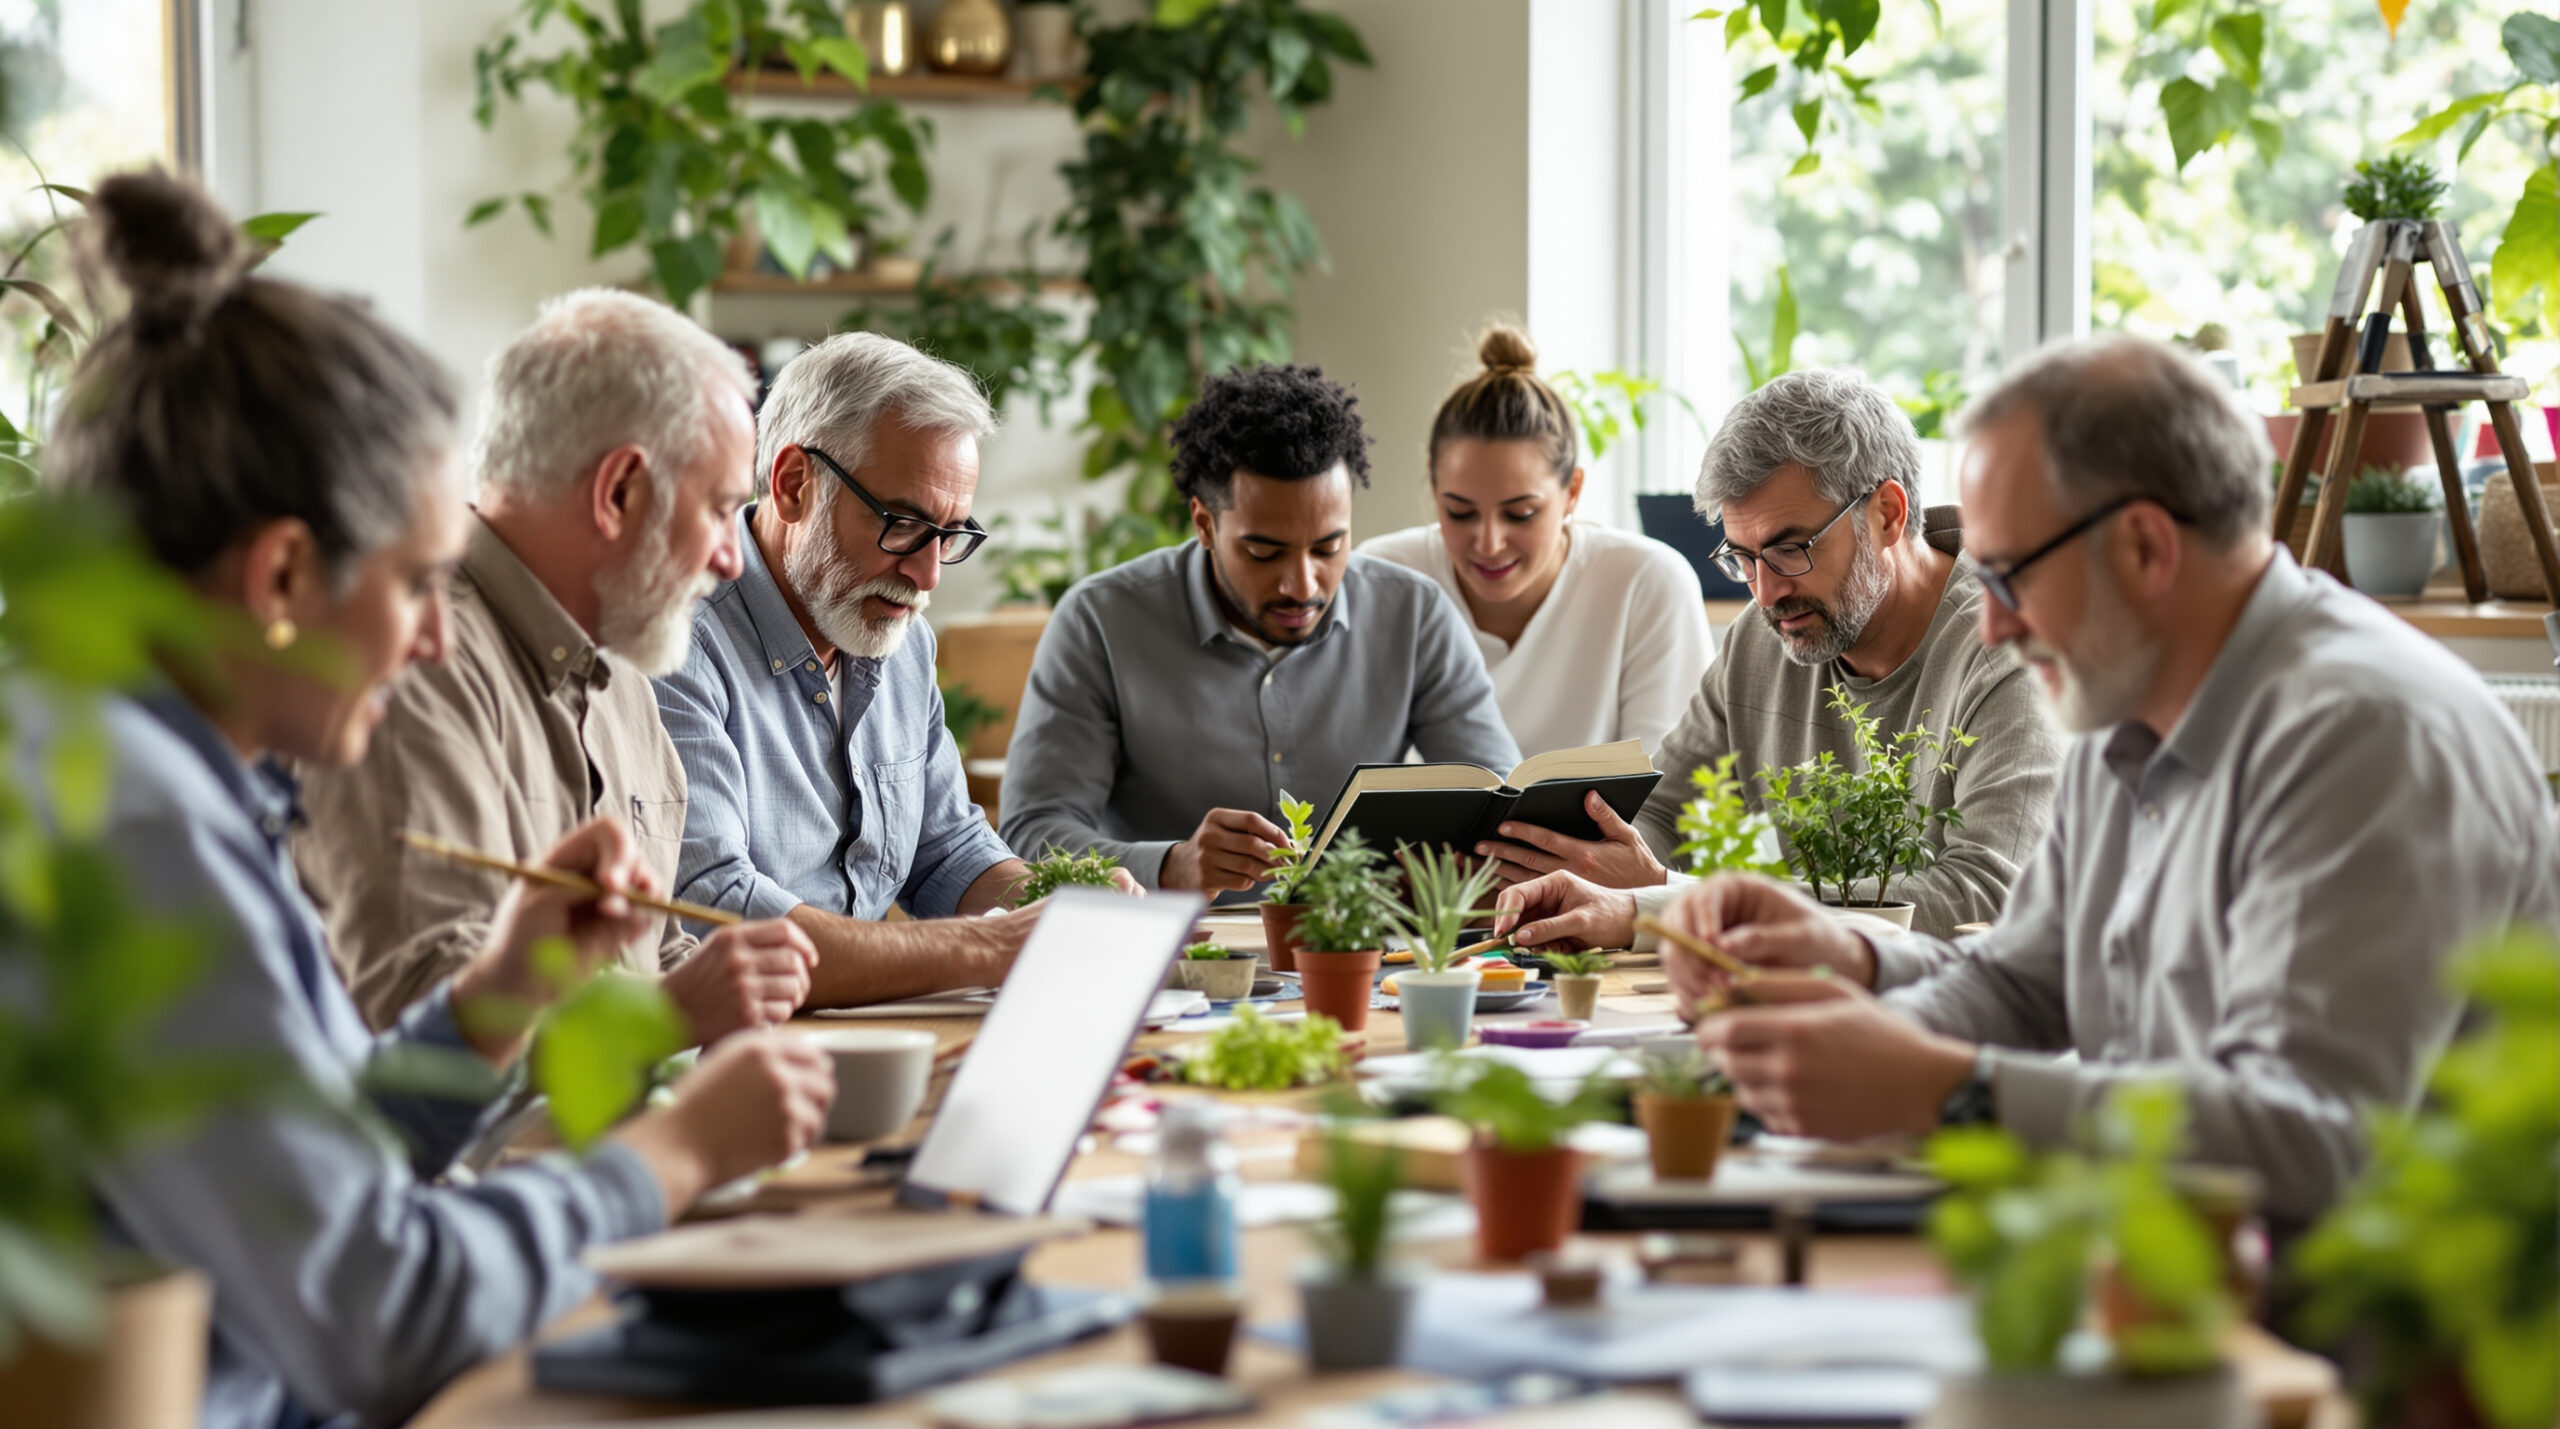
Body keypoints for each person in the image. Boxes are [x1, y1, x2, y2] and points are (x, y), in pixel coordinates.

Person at [28, 172, 833, 1429]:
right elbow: (378, 1312)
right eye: (413, 585)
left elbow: (310, 1163)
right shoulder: (141, 830)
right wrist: (668, 1159)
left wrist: (493, 1000)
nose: (429, 642)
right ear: (286, 573)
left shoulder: (144, 772)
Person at [1500, 337, 2560, 1225]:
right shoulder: (2121, 707)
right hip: (2171, 1273)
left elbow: (2312, 1141)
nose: (1993, 622)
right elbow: (2024, 982)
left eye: (2007, 576)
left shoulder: (2359, 734)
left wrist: (1951, 1090)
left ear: (2144, 547)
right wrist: (1851, 959)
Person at [294, 290, 817, 1040]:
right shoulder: (410, 663)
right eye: (718, 510)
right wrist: (666, 1018)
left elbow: (653, 954)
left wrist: (724, 997)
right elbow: (417, 1013)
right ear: (620, 492)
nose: (733, 560)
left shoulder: (627, 665)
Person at [1476, 368, 2059, 939]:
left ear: (1887, 514)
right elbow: (1663, 814)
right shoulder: (1765, 638)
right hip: (1807, 996)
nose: (1766, 592)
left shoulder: (2018, 649)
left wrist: (1667, 901)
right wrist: (1572, 865)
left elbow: (1986, 897)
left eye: (1790, 549)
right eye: (1742, 558)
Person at [654, 332, 1103, 1008]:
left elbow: (947, 849)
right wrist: (993, 948)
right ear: (794, 484)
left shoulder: (898, 636)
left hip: (872, 1039)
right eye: (901, 523)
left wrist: (1070, 908)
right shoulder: (676, 640)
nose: (926, 577)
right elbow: (717, 913)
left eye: (950, 536)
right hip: (741, 1060)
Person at [1001, 363, 1520, 893]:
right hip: (1174, 954)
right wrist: (1169, 866)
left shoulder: (1415, 615)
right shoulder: (1100, 622)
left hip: (1361, 954)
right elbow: (1031, 833)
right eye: (1264, 552)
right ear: (1205, 523)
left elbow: (1502, 804)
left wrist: (1458, 865)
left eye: (1328, 547)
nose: (1302, 585)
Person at [1360, 325, 1712, 758]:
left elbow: (1671, 797)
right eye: (1460, 512)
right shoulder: (1384, 579)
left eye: (1521, 513)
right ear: (1434, 489)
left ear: (1572, 493)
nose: (1489, 543)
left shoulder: (1647, 582)